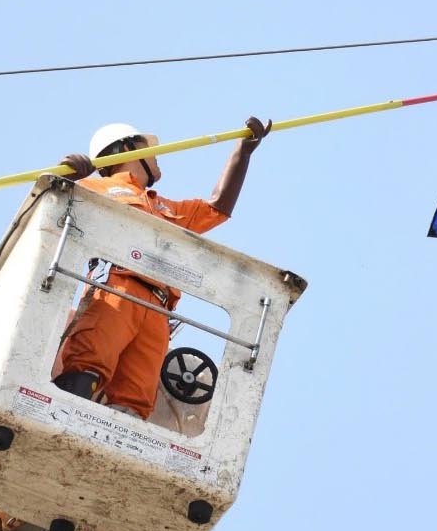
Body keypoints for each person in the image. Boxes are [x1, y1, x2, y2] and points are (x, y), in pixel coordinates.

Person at [50, 118, 271, 418]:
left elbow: (217, 208)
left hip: (159, 308)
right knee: (88, 363)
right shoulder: (95, 187)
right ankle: (59, 418)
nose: (156, 154)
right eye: (147, 147)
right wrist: (65, 177)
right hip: (115, 287)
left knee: (136, 397)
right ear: (125, 149)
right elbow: (48, 207)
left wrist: (243, 152)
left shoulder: (166, 208)